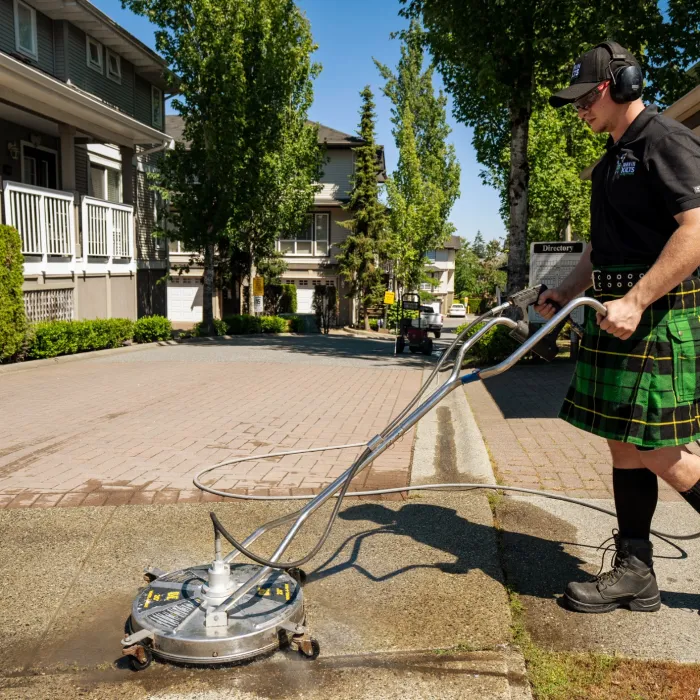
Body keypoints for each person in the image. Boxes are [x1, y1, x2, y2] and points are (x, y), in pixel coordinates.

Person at [537, 41, 700, 614]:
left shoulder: (665, 140)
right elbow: (599, 249)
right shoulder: (608, 161)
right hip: (616, 313)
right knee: (623, 447)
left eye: (586, 97)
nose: (579, 108)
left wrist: (635, 299)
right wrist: (568, 288)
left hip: (658, 315)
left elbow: (696, 231)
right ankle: (636, 570)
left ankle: (637, 569)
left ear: (619, 86)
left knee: (660, 451)